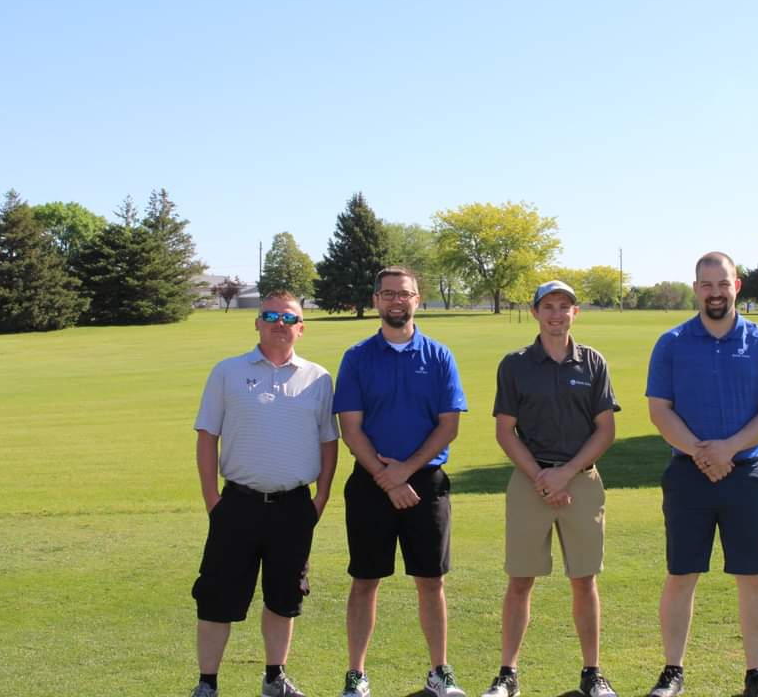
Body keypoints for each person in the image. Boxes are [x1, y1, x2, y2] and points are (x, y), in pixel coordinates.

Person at [644, 252, 758, 697]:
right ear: (696, 289)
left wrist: (728, 448)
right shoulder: (671, 343)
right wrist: (702, 453)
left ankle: (755, 674)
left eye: (722, 283)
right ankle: (673, 671)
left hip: (746, 475)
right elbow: (659, 411)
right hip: (688, 476)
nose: (714, 292)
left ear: (736, 286)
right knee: (681, 575)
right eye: (706, 285)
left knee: (752, 576)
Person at [189, 290, 340, 697]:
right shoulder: (227, 372)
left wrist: (320, 498)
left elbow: (329, 442)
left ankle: (275, 678)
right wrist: (212, 501)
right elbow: (207, 437)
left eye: (289, 318)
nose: (280, 324)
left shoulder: (319, 378)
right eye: (270, 316)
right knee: (218, 595)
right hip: (237, 504)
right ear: (256, 322)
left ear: (301, 329)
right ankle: (207, 684)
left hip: (293, 507)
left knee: (284, 596)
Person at [333, 266, 468, 697]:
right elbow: (350, 428)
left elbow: (448, 425)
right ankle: (356, 674)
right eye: (388, 293)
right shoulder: (356, 357)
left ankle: (439, 671)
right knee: (365, 579)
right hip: (371, 483)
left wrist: (404, 472)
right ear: (376, 300)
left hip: (425, 484)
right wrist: (386, 478)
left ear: (417, 298)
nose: (397, 301)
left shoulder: (440, 356)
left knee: (431, 580)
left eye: (404, 294)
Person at [481, 280, 621, 697]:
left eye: (565, 307)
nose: (557, 314)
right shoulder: (515, 364)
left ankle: (592, 673)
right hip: (530, 482)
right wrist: (542, 477)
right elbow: (505, 432)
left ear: (575, 312)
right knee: (520, 579)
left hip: (581, 482)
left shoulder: (593, 363)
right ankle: (507, 674)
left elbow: (605, 430)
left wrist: (566, 473)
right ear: (535, 312)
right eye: (549, 306)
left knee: (584, 580)